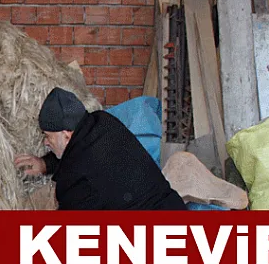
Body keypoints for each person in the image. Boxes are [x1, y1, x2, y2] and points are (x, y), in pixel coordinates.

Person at [14, 87, 186, 211]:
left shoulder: (76, 182)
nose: (46, 142)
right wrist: (45, 164)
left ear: (66, 135)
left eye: (48, 136)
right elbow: (77, 152)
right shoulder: (103, 122)